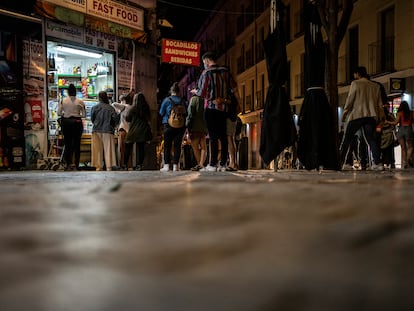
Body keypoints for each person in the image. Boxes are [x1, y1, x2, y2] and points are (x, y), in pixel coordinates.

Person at [191, 51, 240, 172]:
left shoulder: (206, 73)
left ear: (207, 61)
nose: (204, 65)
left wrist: (195, 92)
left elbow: (202, 93)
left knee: (213, 137)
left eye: (204, 63)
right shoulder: (226, 72)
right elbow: (234, 88)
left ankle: (212, 164)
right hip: (224, 109)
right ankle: (223, 163)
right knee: (223, 136)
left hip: (211, 109)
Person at [340, 66, 385, 170]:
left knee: (347, 139)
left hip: (357, 115)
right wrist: (381, 117)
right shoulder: (375, 86)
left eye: (354, 74)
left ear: (357, 74)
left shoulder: (355, 84)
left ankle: (341, 162)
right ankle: (378, 163)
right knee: (371, 139)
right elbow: (379, 104)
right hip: (370, 116)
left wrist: (345, 114)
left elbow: (350, 99)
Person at [159, 82, 187, 172]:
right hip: (180, 125)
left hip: (168, 125)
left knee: (167, 146)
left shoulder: (167, 100)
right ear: (179, 92)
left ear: (171, 91)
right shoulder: (182, 101)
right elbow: (186, 113)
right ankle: (176, 166)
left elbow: (161, 112)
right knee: (177, 146)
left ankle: (166, 166)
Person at [57, 83, 86, 170]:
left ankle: (68, 164)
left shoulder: (63, 101)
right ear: (76, 92)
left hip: (66, 122)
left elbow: (58, 113)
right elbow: (84, 115)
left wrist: (66, 114)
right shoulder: (80, 102)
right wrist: (77, 115)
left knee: (67, 143)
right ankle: (77, 164)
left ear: (68, 92)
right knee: (77, 144)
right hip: (77, 122)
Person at [91, 91, 120, 171]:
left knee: (97, 149)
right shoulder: (110, 108)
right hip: (108, 130)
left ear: (99, 98)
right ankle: (109, 166)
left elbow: (92, 119)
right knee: (108, 149)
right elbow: (115, 119)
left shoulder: (95, 107)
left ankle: (98, 166)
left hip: (96, 130)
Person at [124, 92, 152, 171]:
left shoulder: (132, 108)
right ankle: (139, 165)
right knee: (141, 148)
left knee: (128, 147)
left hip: (133, 131)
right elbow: (149, 118)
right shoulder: (146, 108)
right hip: (143, 131)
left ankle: (125, 165)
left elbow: (127, 118)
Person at [387, 100, 414, 168]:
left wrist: (387, 121)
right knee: (411, 147)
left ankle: (405, 163)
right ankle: (408, 159)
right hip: (408, 129)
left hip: (401, 130)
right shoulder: (412, 113)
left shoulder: (399, 113)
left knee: (403, 148)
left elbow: (395, 123)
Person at [185, 93, 207, 171]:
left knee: (195, 147)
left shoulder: (193, 99)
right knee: (203, 147)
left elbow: (190, 113)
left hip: (194, 126)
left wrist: (187, 125)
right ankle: (201, 164)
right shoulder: (204, 99)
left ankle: (199, 164)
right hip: (203, 126)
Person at [112, 92, 133, 168]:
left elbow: (113, 104)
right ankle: (129, 165)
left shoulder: (124, 106)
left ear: (124, 100)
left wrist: (121, 105)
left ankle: (121, 165)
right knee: (129, 149)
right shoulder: (131, 107)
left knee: (121, 149)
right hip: (130, 131)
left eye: (121, 100)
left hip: (123, 130)